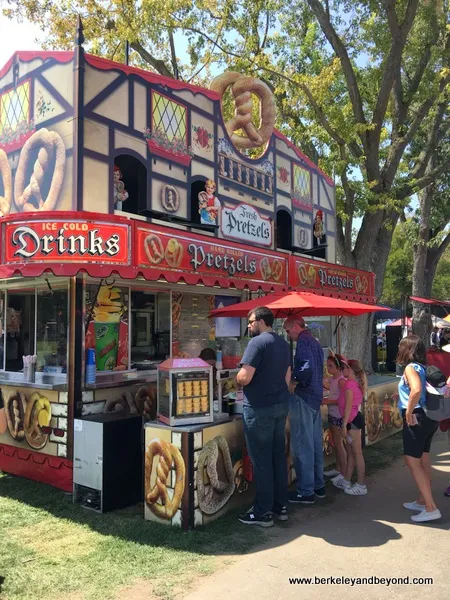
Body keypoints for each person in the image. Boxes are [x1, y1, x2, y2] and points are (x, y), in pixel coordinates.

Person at [236, 306, 291, 526]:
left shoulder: (257, 343)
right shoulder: (283, 343)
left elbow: (245, 377)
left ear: (261, 321)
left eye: (250, 321)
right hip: (280, 405)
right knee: (278, 457)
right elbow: (287, 375)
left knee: (261, 461)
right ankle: (280, 506)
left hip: (259, 408)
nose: (249, 325)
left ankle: (262, 512)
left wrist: (237, 378)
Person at [396, 334, 441, 522]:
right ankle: (423, 500)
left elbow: (415, 389)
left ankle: (430, 507)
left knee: (412, 462)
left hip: (416, 417)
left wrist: (408, 411)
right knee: (423, 460)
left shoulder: (410, 368)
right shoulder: (422, 367)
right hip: (429, 417)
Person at [283, 316, 325, 504]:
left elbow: (306, 368)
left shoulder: (303, 341)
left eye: (287, 330)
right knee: (315, 443)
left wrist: (293, 381)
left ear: (294, 327)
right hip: (315, 397)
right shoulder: (314, 342)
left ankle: (305, 491)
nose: (287, 334)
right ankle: (318, 485)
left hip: (303, 396)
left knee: (301, 445)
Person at [332, 359, 368, 495]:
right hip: (352, 420)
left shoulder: (349, 385)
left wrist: (343, 425)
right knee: (352, 452)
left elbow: (347, 407)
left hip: (351, 421)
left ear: (350, 369)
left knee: (357, 453)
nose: (342, 370)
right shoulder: (354, 384)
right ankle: (347, 479)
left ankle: (361, 484)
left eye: (344, 367)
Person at [322, 353, 347, 479]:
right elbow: (327, 384)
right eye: (327, 365)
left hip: (338, 415)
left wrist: (327, 401)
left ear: (339, 367)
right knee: (336, 442)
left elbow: (343, 400)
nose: (328, 368)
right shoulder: (334, 379)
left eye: (331, 366)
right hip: (333, 414)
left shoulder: (341, 381)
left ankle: (344, 472)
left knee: (339, 443)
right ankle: (339, 468)